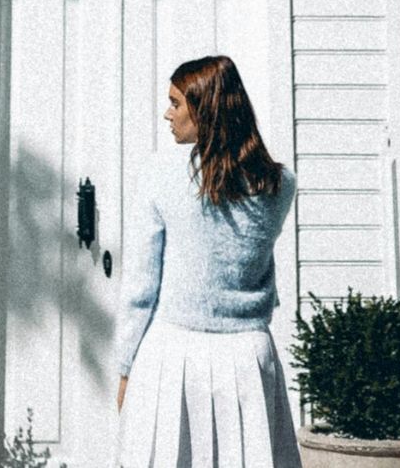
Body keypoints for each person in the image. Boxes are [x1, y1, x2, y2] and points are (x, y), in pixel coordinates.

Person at [113, 55, 302, 468]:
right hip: (248, 356)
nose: (168, 113)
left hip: (172, 354)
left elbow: (140, 286)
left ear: (205, 109)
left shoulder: (160, 175)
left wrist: (125, 367)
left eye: (176, 103)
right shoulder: (280, 183)